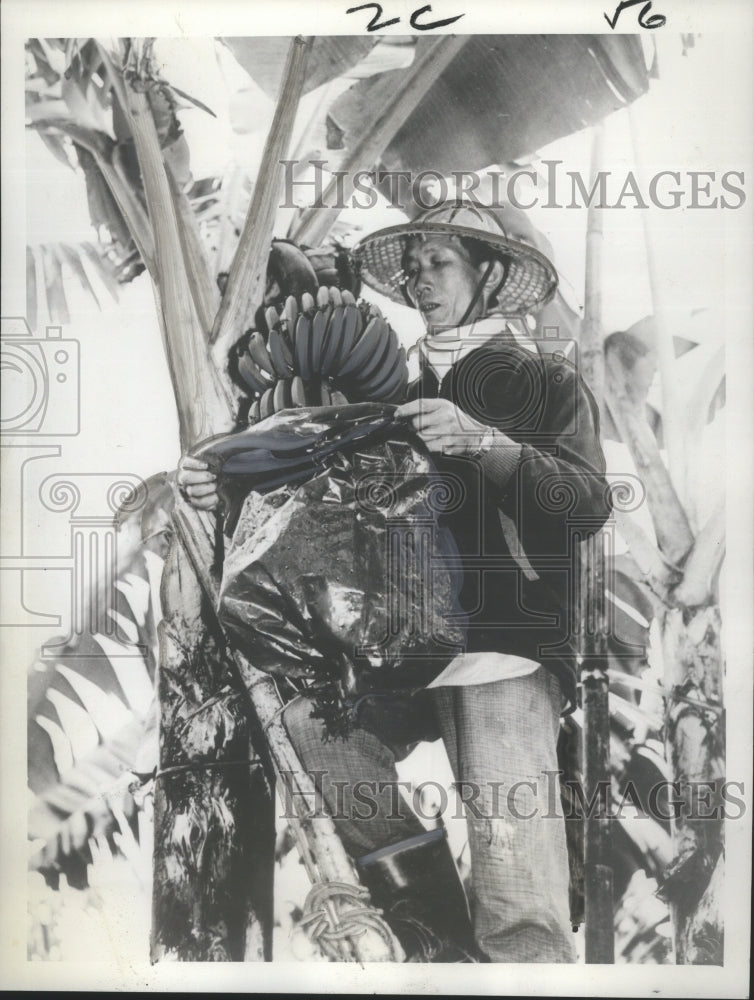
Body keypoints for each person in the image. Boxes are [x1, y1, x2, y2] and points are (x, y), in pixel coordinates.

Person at [178, 200, 611, 963]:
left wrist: (486, 443)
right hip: (393, 647)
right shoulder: (388, 392)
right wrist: (227, 489)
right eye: (411, 269)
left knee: (519, 901)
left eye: (438, 263)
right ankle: (440, 940)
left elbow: (585, 505)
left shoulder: (545, 382)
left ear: (493, 272)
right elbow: (319, 516)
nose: (419, 282)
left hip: (501, 647)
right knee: (314, 731)